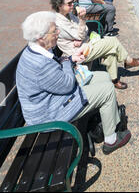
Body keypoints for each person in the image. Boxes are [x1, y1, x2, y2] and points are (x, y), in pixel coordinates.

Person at [16, 11, 132, 154]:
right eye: (54, 31)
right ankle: (111, 140)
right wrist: (66, 61)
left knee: (104, 77)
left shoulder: (37, 49)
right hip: (48, 113)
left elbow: (58, 73)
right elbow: (67, 85)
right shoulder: (39, 63)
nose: (58, 32)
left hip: (51, 99)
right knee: (107, 89)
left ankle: (103, 122)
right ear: (41, 37)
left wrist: (70, 59)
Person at [50, 0, 139, 89]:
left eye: (72, 2)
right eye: (69, 3)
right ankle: (128, 61)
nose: (73, 5)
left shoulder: (69, 15)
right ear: (59, 6)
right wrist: (82, 20)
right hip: (77, 53)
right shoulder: (59, 22)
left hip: (84, 45)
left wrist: (80, 35)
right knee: (112, 42)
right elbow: (80, 34)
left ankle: (114, 80)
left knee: (111, 51)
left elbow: (85, 30)